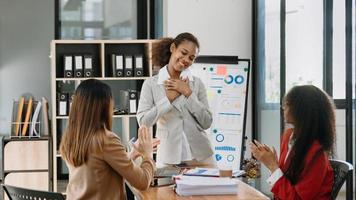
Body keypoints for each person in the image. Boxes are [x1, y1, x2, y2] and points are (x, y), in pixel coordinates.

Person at [60, 79, 155, 200]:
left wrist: (131, 155)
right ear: (104, 109)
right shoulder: (106, 140)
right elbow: (142, 183)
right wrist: (147, 154)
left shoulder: (72, 137)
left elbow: (97, 169)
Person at [137, 32, 215, 166]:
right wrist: (168, 99)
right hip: (168, 156)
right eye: (183, 53)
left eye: (191, 58)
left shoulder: (196, 84)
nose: (186, 60)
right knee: (165, 188)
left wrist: (187, 92)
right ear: (173, 48)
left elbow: (207, 122)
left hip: (201, 155)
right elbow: (143, 121)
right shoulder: (151, 84)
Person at [250, 85, 335, 199]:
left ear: (302, 110)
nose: (283, 107)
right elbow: (285, 185)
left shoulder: (317, 152)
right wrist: (275, 165)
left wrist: (272, 166)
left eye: (288, 104)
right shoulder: (288, 136)